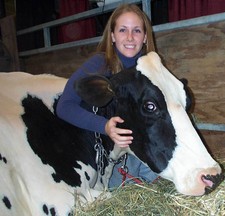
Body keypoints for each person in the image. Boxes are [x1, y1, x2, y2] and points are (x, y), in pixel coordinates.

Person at [56, 3, 159, 188]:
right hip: (102, 155)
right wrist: (104, 126)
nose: (130, 37)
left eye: (136, 30)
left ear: (145, 37)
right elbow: (64, 106)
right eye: (122, 30)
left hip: (138, 149)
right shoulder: (99, 63)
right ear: (112, 36)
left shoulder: (149, 69)